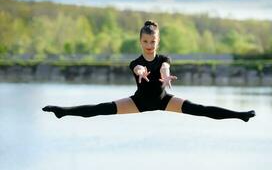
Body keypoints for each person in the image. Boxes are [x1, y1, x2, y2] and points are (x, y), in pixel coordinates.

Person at [42, 20, 255, 122]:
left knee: (201, 109)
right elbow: (138, 67)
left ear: (158, 41)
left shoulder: (164, 59)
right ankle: (63, 111)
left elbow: (164, 66)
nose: (149, 45)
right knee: (100, 108)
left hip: (164, 100)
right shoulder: (135, 62)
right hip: (139, 101)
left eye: (153, 41)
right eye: (145, 41)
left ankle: (240, 115)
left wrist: (164, 73)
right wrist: (141, 71)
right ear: (140, 41)